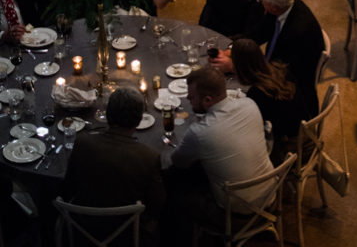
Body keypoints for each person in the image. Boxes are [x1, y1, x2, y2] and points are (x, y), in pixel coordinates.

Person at [167, 66, 273, 231]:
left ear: (208, 100)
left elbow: (177, 162)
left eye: (192, 96)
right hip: (270, 197)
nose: (188, 98)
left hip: (236, 217)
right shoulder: (250, 104)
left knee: (174, 188)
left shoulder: (199, 132)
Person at [64, 88, 164, 247]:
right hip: (128, 233)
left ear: (108, 116)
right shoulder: (149, 157)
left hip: (83, 227)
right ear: (139, 121)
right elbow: (156, 205)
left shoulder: (82, 143)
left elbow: (69, 186)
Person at [213, 0, 324, 118]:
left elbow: (276, 73)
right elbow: (259, 33)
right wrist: (233, 47)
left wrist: (236, 66)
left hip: (289, 95)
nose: (260, 4)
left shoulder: (297, 32)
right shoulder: (284, 7)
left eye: (261, 1)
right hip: (276, 70)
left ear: (272, 6)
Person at [230, 38, 309, 152]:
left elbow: (254, 128)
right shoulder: (279, 68)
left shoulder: (257, 93)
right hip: (306, 129)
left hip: (292, 145)